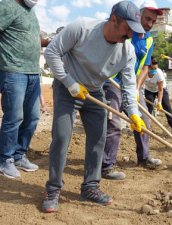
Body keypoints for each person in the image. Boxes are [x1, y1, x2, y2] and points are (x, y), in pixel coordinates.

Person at [42, 1, 146, 212]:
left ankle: (90, 187)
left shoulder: (127, 52)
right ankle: (53, 189)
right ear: (114, 19)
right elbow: (52, 52)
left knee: (99, 137)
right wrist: (69, 82)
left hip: (94, 92)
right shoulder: (82, 28)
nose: (130, 36)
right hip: (66, 87)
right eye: (128, 29)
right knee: (61, 137)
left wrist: (134, 114)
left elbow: (128, 86)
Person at [101, 0, 163, 181]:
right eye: (147, 19)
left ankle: (144, 158)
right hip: (112, 81)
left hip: (131, 85)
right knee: (113, 124)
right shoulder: (125, 31)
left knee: (144, 121)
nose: (149, 24)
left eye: (153, 21)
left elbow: (145, 67)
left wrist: (136, 88)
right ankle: (106, 166)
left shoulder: (149, 39)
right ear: (138, 15)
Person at [0, 0, 41, 179]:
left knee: (32, 117)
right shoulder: (6, 5)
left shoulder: (30, 11)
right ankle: (5, 159)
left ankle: (18, 155)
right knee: (14, 117)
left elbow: (27, 37)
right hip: (13, 71)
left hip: (33, 72)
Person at [144, 57, 172, 135]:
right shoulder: (144, 71)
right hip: (149, 90)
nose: (154, 70)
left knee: (167, 106)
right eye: (153, 68)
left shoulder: (159, 73)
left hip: (160, 89)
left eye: (156, 68)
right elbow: (139, 81)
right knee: (148, 108)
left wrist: (159, 102)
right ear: (149, 66)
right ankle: (146, 127)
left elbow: (160, 90)